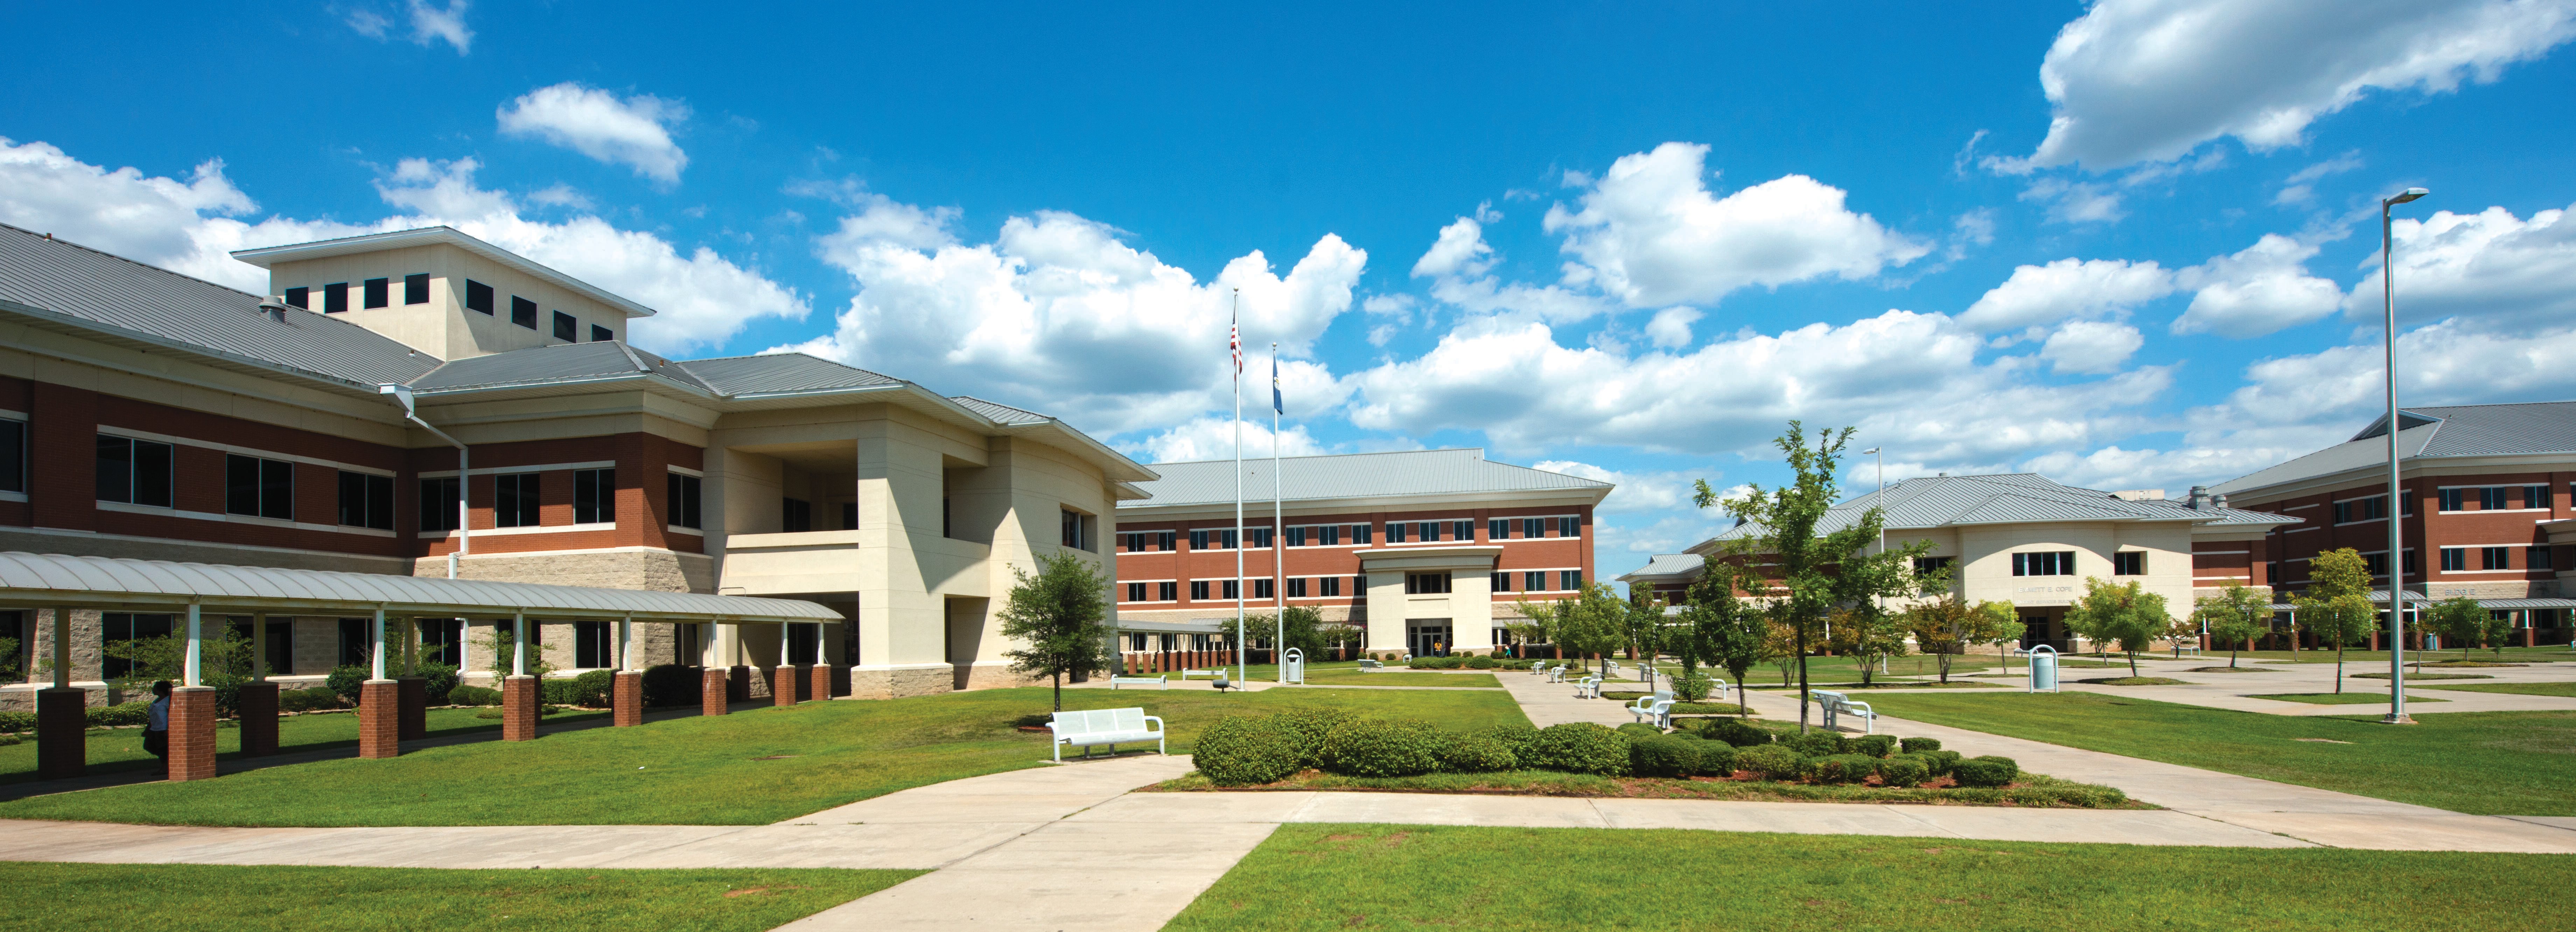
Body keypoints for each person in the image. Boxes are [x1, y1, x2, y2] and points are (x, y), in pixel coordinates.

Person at [144, 680, 173, 774]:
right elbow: (153, 716)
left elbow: (171, 716)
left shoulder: (167, 701)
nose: (153, 689)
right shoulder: (157, 700)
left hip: (162, 729)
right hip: (153, 729)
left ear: (160, 689)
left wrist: (168, 729)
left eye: (155, 687)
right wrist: (147, 729)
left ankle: (165, 768)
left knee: (162, 749)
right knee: (148, 746)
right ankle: (169, 761)